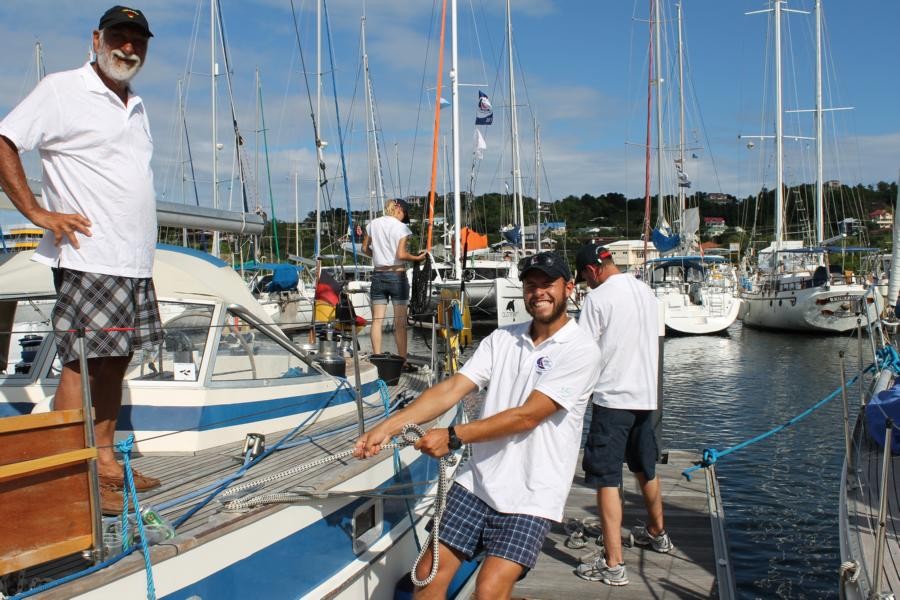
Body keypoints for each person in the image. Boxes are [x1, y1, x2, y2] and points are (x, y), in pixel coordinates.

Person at [354, 251, 601, 599]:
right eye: (531, 285)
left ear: (569, 288)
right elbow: (452, 388)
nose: (539, 292)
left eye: (548, 284)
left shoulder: (581, 349)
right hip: (478, 481)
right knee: (426, 575)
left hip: (532, 494)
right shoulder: (502, 339)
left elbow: (528, 416)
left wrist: (453, 436)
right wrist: (388, 427)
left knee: (489, 590)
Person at [0, 6, 162, 514]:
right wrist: (35, 212)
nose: (128, 47)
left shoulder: (135, 103)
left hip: (133, 260)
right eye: (119, 36)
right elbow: (5, 141)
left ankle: (104, 460)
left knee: (116, 360)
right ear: (96, 39)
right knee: (83, 363)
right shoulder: (62, 89)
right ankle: (70, 475)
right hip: (90, 254)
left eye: (138, 39)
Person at [573, 243, 672, 587]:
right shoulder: (645, 291)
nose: (586, 284)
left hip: (613, 398)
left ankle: (613, 564)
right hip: (646, 396)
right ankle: (658, 532)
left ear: (591, 270)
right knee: (645, 466)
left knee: (606, 477)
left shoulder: (597, 299)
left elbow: (583, 353)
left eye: (584, 278)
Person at [361, 198, 426, 370]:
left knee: (377, 321)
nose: (404, 218)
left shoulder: (372, 224)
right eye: (404, 214)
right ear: (399, 210)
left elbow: (364, 249)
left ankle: (376, 358)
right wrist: (417, 258)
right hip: (397, 276)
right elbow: (401, 255)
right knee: (400, 323)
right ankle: (403, 362)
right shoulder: (401, 228)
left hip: (378, 275)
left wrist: (377, 256)